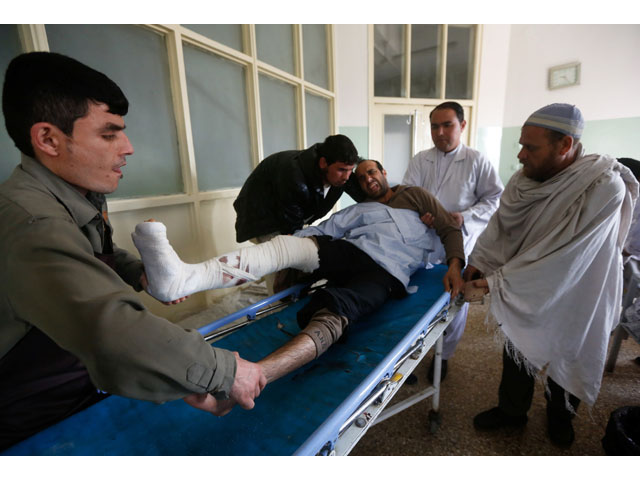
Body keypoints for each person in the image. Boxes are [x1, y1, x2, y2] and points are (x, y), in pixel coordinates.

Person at [0, 52, 265, 450]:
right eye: (108, 135)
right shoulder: (30, 221)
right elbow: (109, 329)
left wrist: (135, 271)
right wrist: (223, 370)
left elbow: (86, 252)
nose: (128, 147)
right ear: (49, 139)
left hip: (76, 375)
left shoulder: (77, 192)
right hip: (30, 413)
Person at [133, 159, 466, 384]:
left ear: (383, 172)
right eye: (362, 177)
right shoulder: (361, 210)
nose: (368, 179)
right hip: (351, 253)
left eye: (372, 172)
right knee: (290, 246)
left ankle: (258, 375)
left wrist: (454, 265)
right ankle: (180, 280)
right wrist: (289, 248)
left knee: (338, 310)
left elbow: (449, 229)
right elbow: (327, 228)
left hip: (387, 273)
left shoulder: (415, 197)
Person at [465, 103, 638, 447]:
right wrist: (479, 262)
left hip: (581, 288)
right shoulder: (522, 182)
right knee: (518, 341)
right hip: (528, 284)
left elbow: (568, 255)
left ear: (565, 145)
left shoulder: (604, 187)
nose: (521, 154)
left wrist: (497, 283)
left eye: (531, 147)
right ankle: (512, 410)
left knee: (569, 350)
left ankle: (561, 416)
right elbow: (502, 229)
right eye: (521, 144)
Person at [403, 101, 503, 381]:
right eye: (435, 126)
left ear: (462, 125)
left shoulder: (476, 160)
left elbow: (495, 199)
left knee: (454, 302)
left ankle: (442, 357)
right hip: (422, 240)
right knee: (414, 296)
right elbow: (408, 193)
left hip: (458, 243)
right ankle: (408, 354)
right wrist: (418, 213)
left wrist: (466, 217)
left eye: (447, 125)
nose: (440, 132)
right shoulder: (421, 159)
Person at [233, 133, 360, 244]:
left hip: (287, 215)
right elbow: (292, 231)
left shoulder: (339, 170)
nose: (346, 177)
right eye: (342, 170)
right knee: (287, 259)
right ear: (323, 163)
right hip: (263, 222)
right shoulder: (294, 177)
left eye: (351, 170)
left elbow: (363, 193)